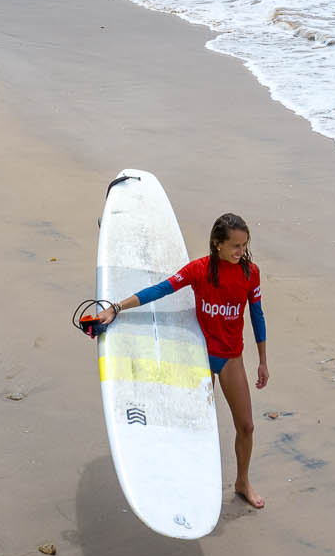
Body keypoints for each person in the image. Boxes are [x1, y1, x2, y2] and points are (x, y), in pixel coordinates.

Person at [88, 212, 270, 509]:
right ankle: (188, 481)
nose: (241, 252)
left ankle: (242, 482)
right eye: (235, 246)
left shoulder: (251, 273)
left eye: (244, 245)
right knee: (195, 426)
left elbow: (257, 316)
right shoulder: (199, 270)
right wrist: (116, 307)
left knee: (247, 426)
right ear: (218, 244)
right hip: (197, 356)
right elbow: (161, 289)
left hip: (231, 356)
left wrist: (263, 360)